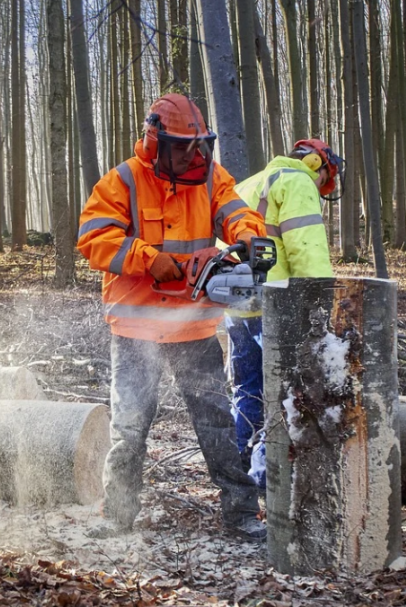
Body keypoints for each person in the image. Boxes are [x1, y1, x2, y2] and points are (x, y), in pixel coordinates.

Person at [77, 93, 268, 541]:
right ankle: (117, 515)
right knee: (130, 427)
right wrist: (148, 259)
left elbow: (237, 212)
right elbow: (93, 237)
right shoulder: (123, 180)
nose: (190, 153)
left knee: (217, 422)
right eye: (181, 145)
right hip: (136, 330)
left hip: (193, 326)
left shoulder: (210, 178)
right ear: (155, 140)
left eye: (196, 144)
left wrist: (245, 240)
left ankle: (241, 514)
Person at [225, 139, 344, 490]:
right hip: (277, 304)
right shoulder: (297, 182)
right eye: (323, 176)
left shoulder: (249, 183)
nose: (320, 184)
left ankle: (236, 466)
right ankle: (266, 478)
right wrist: (321, 307)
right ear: (314, 164)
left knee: (247, 386)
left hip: (236, 303)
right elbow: (307, 250)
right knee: (285, 390)